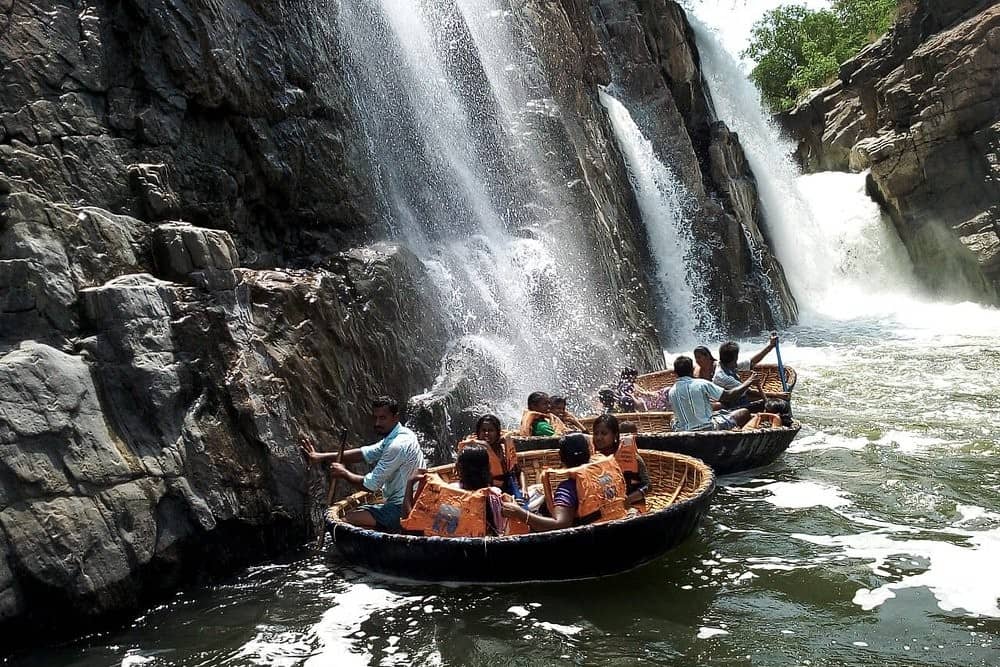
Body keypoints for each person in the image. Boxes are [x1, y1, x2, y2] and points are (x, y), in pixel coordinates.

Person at [301, 396, 425, 533]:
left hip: (403, 507)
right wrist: (321, 457)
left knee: (345, 521)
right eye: (375, 418)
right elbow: (365, 453)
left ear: (395, 418)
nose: (377, 423)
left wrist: (344, 473)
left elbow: (371, 485)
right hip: (416, 501)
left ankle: (393, 529)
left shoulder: (396, 446)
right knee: (362, 519)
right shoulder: (402, 434)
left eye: (383, 418)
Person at [500, 433, 627, 532]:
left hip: (591, 535)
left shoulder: (568, 488)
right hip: (615, 524)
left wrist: (520, 513)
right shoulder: (605, 471)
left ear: (561, 458)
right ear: (589, 452)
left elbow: (561, 524)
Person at [400, 444, 506, 537]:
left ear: (458, 468)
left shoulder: (453, 495)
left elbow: (411, 527)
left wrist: (410, 484)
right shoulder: (495, 494)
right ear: (487, 468)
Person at [667, 355, 758, 430]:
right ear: (691, 370)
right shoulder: (701, 383)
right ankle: (737, 434)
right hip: (708, 428)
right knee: (744, 412)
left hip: (683, 431)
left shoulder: (671, 391)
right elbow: (729, 396)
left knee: (673, 417)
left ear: (675, 372)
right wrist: (748, 382)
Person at [457, 414, 525, 497]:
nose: (486, 433)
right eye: (483, 430)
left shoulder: (503, 448)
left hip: (507, 490)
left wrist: (524, 489)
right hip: (483, 492)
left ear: (497, 432)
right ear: (478, 432)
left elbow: (519, 471)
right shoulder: (473, 452)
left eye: (491, 430)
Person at [591, 414, 649, 508]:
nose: (599, 438)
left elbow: (648, 486)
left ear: (615, 435)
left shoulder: (634, 458)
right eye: (596, 433)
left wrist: (628, 500)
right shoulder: (592, 460)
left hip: (632, 507)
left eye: (604, 433)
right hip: (606, 509)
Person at [713, 334, 778, 408]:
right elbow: (748, 392)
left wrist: (770, 346)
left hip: (742, 398)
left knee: (773, 401)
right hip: (733, 406)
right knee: (776, 404)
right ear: (735, 358)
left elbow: (752, 362)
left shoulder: (726, 364)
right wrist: (777, 395)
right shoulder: (723, 377)